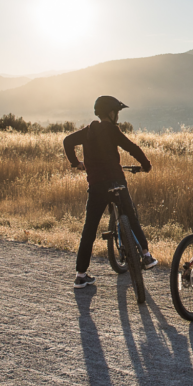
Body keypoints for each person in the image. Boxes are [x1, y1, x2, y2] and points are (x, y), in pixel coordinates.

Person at [64, 95, 156, 289]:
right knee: (131, 218)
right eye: (117, 113)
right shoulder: (112, 130)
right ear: (111, 113)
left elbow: (67, 141)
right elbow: (132, 148)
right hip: (117, 182)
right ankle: (146, 256)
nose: (117, 117)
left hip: (97, 186)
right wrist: (146, 166)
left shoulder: (88, 131)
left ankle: (80, 275)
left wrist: (76, 163)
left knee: (89, 229)